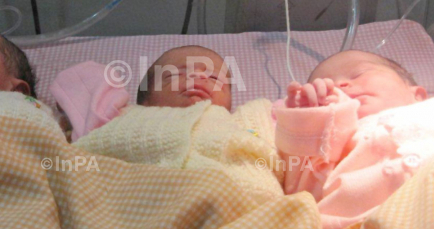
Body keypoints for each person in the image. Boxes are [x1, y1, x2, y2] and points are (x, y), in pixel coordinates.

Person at [275, 50, 434, 229]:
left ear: (418, 95)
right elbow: (302, 187)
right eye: (327, 84)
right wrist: (308, 119)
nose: (339, 85)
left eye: (359, 73)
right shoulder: (332, 135)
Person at [69, 45, 284, 204]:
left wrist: (300, 109)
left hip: (241, 213)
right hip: (134, 211)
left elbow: (296, 132)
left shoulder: (246, 121)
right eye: (177, 74)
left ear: (230, 103)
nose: (198, 76)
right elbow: (83, 82)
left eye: (214, 78)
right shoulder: (121, 116)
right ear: (146, 98)